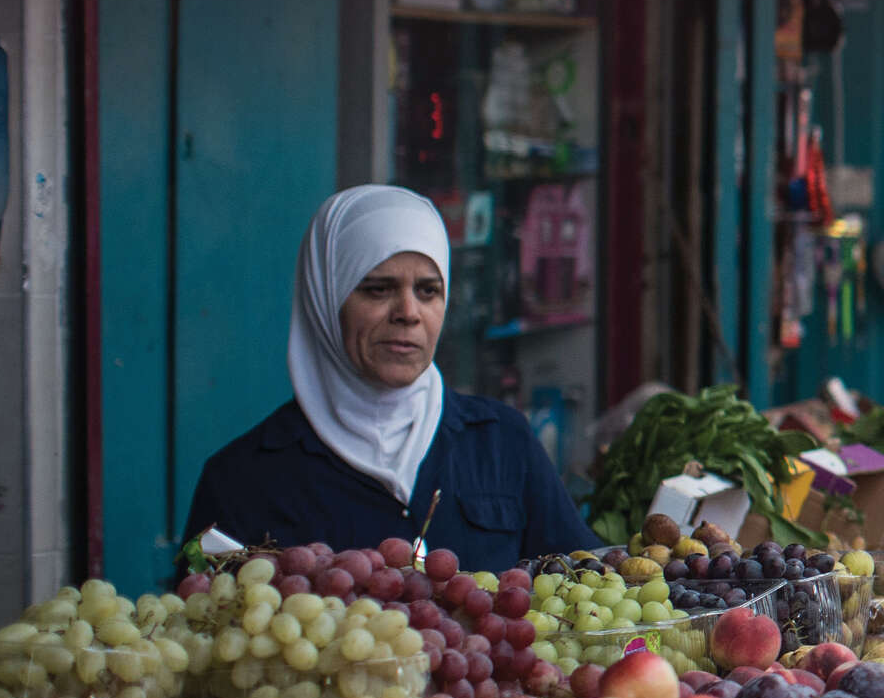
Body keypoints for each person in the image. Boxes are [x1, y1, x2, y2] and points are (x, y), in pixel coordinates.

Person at [187, 186, 593, 568]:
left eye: (428, 291)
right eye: (378, 290)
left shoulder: (501, 441)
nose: (409, 313)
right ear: (325, 301)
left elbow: (585, 580)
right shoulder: (243, 481)